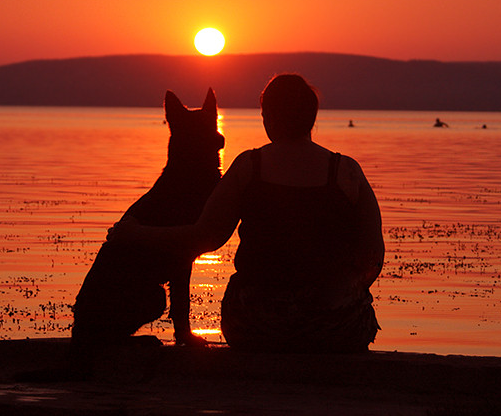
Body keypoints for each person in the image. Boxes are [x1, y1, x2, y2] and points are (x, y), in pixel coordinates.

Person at [112, 74, 384, 353]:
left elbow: (204, 237)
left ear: (269, 118)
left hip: (256, 324)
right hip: (335, 328)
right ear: (312, 118)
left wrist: (135, 233)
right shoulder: (347, 172)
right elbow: (374, 257)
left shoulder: (249, 166)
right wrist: (338, 296)